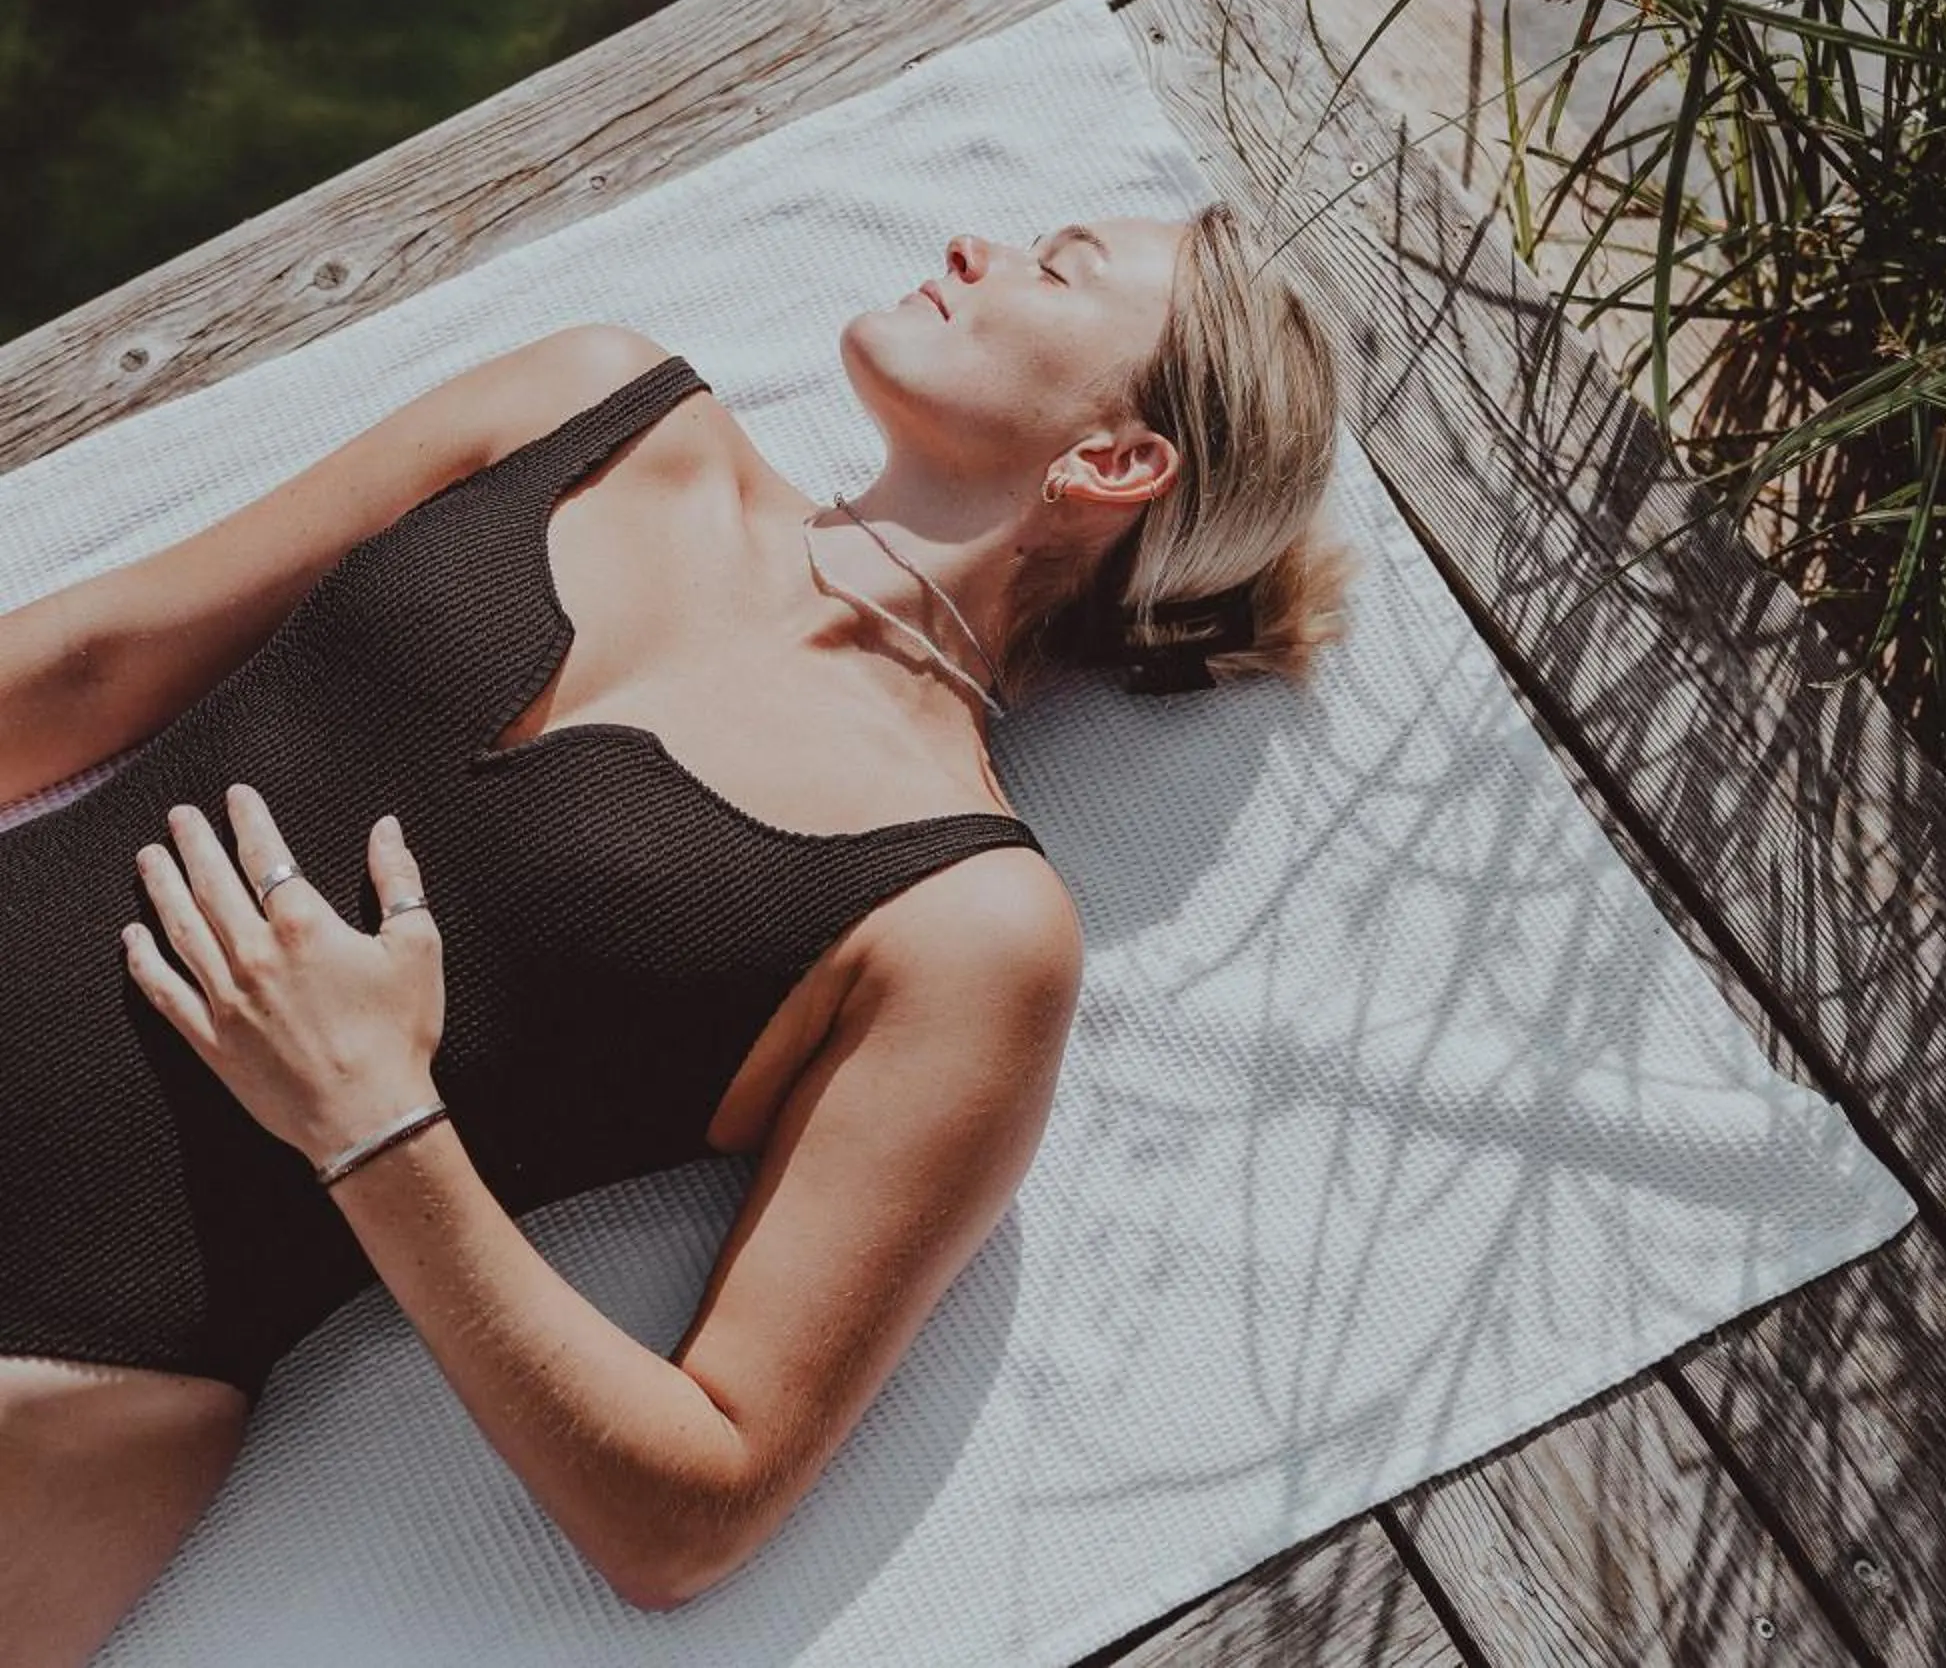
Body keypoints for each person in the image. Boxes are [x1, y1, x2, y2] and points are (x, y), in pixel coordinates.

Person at [0, 200, 1355, 1664]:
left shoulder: (966, 924)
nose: (979, 248)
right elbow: (95, 662)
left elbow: (694, 1508)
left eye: (1057, 267)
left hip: (67, 1376)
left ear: (1114, 462)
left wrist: (377, 1124)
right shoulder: (595, 402)